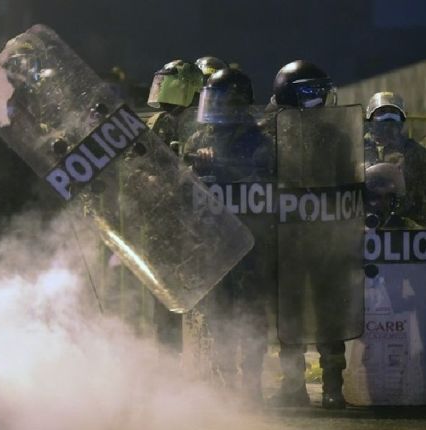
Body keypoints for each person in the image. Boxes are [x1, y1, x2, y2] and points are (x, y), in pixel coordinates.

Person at [182, 68, 275, 402]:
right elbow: (183, 184)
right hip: (212, 239)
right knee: (218, 312)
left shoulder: (261, 140)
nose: (220, 107)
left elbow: (266, 180)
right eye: (216, 99)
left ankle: (251, 384)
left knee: (251, 311)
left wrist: (220, 166)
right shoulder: (199, 139)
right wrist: (196, 168)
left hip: (252, 240)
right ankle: (224, 385)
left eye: (227, 100)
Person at [267, 60, 350, 409]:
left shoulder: (337, 137)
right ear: (289, 94)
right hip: (287, 238)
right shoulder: (269, 133)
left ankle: (333, 385)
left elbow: (349, 186)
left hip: (326, 237)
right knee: (290, 316)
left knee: (330, 312)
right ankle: (293, 385)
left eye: (320, 90)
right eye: (309, 91)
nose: (318, 97)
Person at [364, 91, 426, 227]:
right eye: (382, 114)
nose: (387, 124)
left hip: (405, 223)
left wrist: (406, 173)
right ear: (370, 121)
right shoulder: (358, 148)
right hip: (363, 221)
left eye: (393, 116)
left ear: (401, 123)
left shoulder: (414, 152)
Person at [145, 59, 204, 150]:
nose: (162, 93)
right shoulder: (157, 121)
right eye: (161, 87)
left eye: (169, 88)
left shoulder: (205, 125)